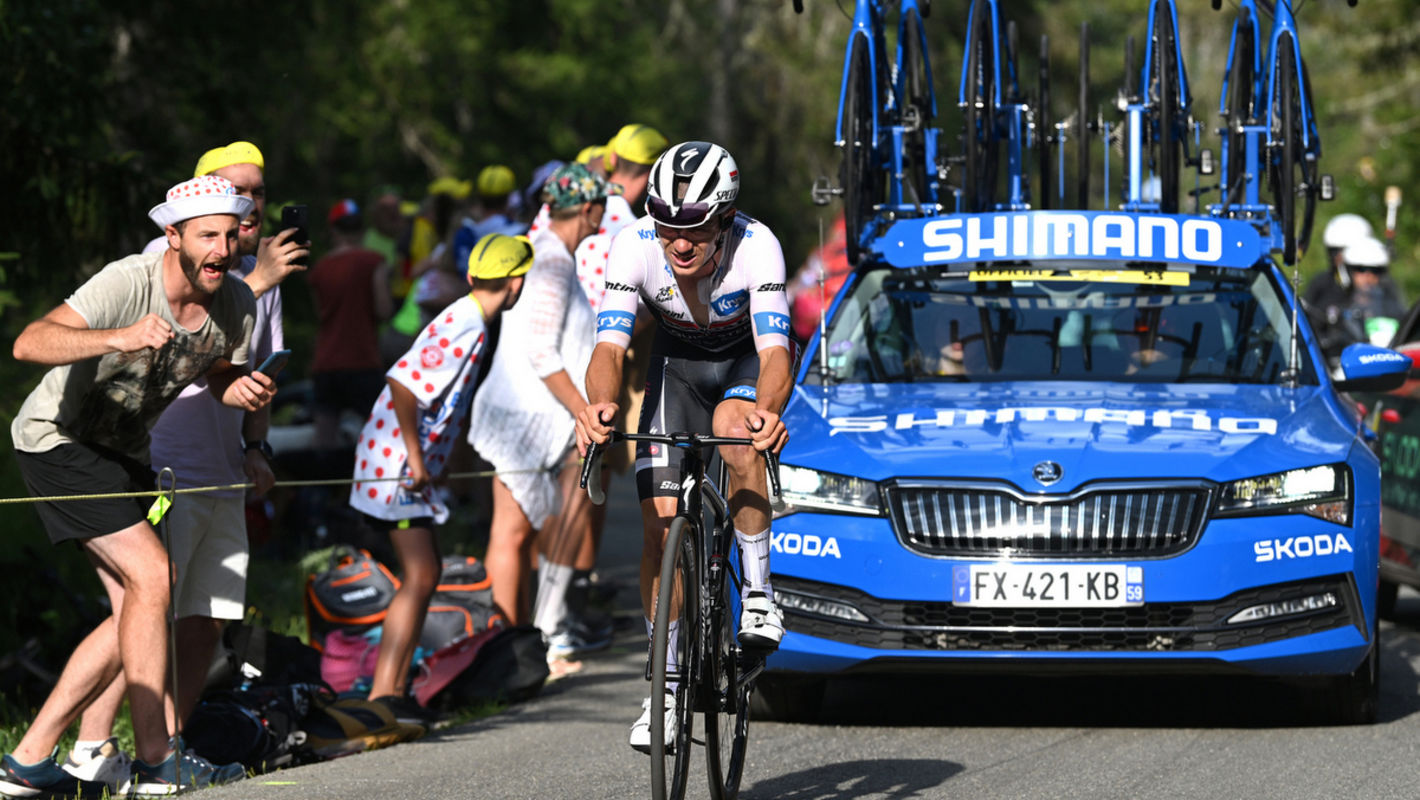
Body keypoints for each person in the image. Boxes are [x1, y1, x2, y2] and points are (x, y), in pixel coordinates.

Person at [2, 174, 276, 798]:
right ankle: (158, 761)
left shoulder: (236, 303)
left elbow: (216, 375)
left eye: (233, 235)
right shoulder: (130, 280)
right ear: (172, 237)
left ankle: (27, 760)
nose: (223, 249)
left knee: (137, 608)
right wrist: (115, 336)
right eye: (207, 235)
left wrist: (240, 390)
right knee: (157, 578)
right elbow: (29, 342)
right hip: (57, 440)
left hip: (125, 454)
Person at [60, 142, 307, 794]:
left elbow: (258, 371)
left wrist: (259, 448)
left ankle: (164, 751)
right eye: (237, 191)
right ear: (199, 200)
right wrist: (254, 283)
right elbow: (184, 344)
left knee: (208, 618)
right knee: (143, 614)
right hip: (161, 463)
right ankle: (88, 745)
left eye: (258, 191)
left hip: (224, 466)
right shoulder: (163, 259)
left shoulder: (261, 275)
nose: (251, 206)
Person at [573, 141, 793, 752]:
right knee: (658, 528)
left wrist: (766, 412)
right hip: (676, 368)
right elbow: (610, 348)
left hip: (744, 363)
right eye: (668, 225)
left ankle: (757, 592)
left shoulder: (758, 245)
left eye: (694, 227)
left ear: (723, 219)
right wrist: (599, 405)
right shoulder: (633, 245)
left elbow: (776, 350)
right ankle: (665, 690)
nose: (679, 242)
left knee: (734, 431)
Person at [347, 232, 532, 725]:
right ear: (516, 284)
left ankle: (393, 689)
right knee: (423, 574)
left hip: (402, 464)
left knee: (423, 575)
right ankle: (385, 694)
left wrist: (441, 457)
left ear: (473, 275)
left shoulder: (470, 316)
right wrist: (417, 457)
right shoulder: (466, 323)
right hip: (395, 467)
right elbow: (403, 384)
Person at [470, 164, 616, 665]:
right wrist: (585, 412)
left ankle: (534, 641)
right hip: (523, 420)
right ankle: (505, 653)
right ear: (590, 209)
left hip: (539, 417)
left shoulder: (552, 254)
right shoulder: (550, 261)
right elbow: (540, 351)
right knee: (511, 534)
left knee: (540, 527)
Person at [308, 199, 394, 452]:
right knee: (380, 433)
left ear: (334, 230)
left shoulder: (320, 268)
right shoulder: (374, 262)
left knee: (324, 437)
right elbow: (384, 310)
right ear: (361, 230)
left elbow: (319, 314)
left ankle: (322, 489)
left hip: (326, 363)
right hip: (363, 361)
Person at [1307, 233, 1407, 361]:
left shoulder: (1393, 306)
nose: (1367, 276)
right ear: (1348, 271)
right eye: (1360, 269)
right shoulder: (1333, 304)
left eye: (1375, 270)